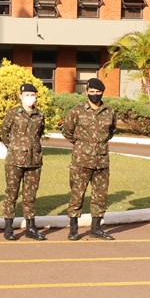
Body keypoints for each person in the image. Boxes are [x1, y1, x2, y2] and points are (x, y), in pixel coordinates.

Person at [62, 77, 117, 240]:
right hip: (81, 160)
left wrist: (97, 145)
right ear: (86, 92)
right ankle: (73, 229)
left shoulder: (110, 111)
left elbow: (111, 131)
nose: (95, 95)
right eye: (92, 92)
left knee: (100, 195)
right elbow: (67, 131)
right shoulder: (76, 111)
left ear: (102, 93)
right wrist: (81, 145)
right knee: (77, 194)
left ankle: (96, 228)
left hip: (101, 160)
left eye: (98, 92)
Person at [0, 83, 46, 241]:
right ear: (20, 96)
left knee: (30, 196)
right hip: (15, 161)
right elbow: (4, 133)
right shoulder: (13, 113)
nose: (30, 97)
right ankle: (8, 228)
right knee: (11, 194)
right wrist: (14, 148)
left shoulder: (39, 115)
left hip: (34, 161)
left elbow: (39, 134)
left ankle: (31, 227)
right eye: (27, 94)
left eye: (33, 94)